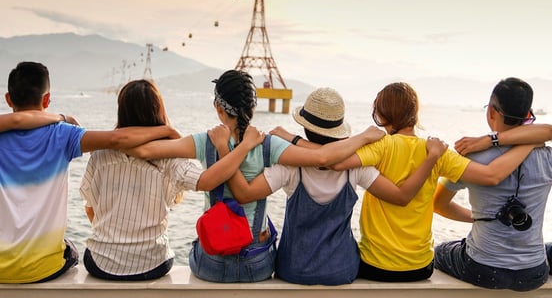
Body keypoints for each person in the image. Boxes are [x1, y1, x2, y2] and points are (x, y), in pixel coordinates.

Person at [126, 70, 386, 283]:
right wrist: (363, 137)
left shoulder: (204, 141)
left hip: (212, 263)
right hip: (257, 263)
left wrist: (166, 130)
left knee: (198, 244)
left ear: (218, 108)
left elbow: (144, 150)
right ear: (253, 107)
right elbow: (323, 158)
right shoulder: (269, 145)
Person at [280, 81, 537, 282]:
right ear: (415, 113)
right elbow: (491, 175)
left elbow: (329, 161)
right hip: (419, 267)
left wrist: (292, 139)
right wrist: (528, 142)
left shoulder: (381, 146)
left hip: (375, 266)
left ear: (381, 114)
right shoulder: (437, 151)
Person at [0, 61, 190, 284]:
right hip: (43, 267)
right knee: (70, 250)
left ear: (8, 99)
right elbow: (117, 139)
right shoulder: (63, 135)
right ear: (47, 100)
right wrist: (168, 130)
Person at [223, 87, 448, 285]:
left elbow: (245, 194)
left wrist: (227, 151)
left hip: (293, 269)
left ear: (305, 128)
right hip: (342, 270)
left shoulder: (290, 166)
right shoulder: (357, 167)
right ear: (338, 129)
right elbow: (400, 196)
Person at [80, 79, 264, 281]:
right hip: (152, 263)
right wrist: (169, 131)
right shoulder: (169, 158)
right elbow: (206, 181)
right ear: (158, 111)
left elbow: (90, 209)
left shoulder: (100, 155)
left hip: (100, 263)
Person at [433, 77, 552, 291]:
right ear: (528, 116)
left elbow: (438, 204)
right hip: (533, 272)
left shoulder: (470, 157)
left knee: (440, 250)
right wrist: (534, 141)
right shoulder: (547, 157)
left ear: (491, 112)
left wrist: (479, 218)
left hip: (482, 268)